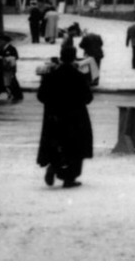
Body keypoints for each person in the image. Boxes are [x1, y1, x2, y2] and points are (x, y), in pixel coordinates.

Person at [36, 40, 93, 188]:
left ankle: (54, 166)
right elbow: (88, 98)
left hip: (54, 117)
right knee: (75, 147)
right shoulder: (79, 77)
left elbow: (41, 96)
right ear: (74, 57)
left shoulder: (51, 75)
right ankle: (69, 177)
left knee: (56, 144)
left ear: (61, 57)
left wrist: (52, 105)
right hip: (75, 117)